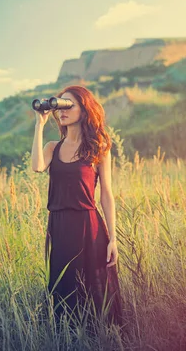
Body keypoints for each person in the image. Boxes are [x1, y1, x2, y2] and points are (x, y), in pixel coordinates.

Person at [31, 85, 123, 329]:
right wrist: (39, 125)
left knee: (93, 288)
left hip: (88, 227)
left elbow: (107, 195)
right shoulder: (53, 147)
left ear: (84, 110)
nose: (62, 110)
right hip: (59, 226)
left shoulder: (99, 149)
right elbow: (37, 166)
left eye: (68, 105)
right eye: (59, 104)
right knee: (62, 286)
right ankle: (67, 338)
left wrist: (113, 238)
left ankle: (102, 337)